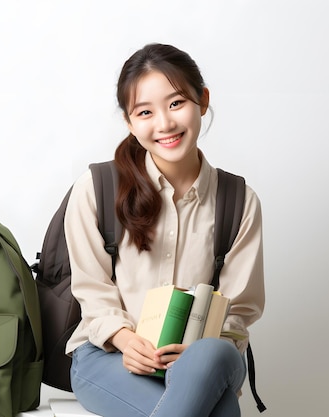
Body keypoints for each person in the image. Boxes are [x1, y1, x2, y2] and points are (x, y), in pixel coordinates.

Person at [64, 43, 265, 417]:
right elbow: (92, 290)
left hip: (202, 360)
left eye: (176, 103)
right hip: (109, 359)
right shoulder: (97, 188)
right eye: (145, 112)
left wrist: (198, 352)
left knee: (215, 352)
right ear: (129, 121)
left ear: (202, 100)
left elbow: (240, 308)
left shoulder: (239, 200)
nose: (165, 124)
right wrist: (125, 339)